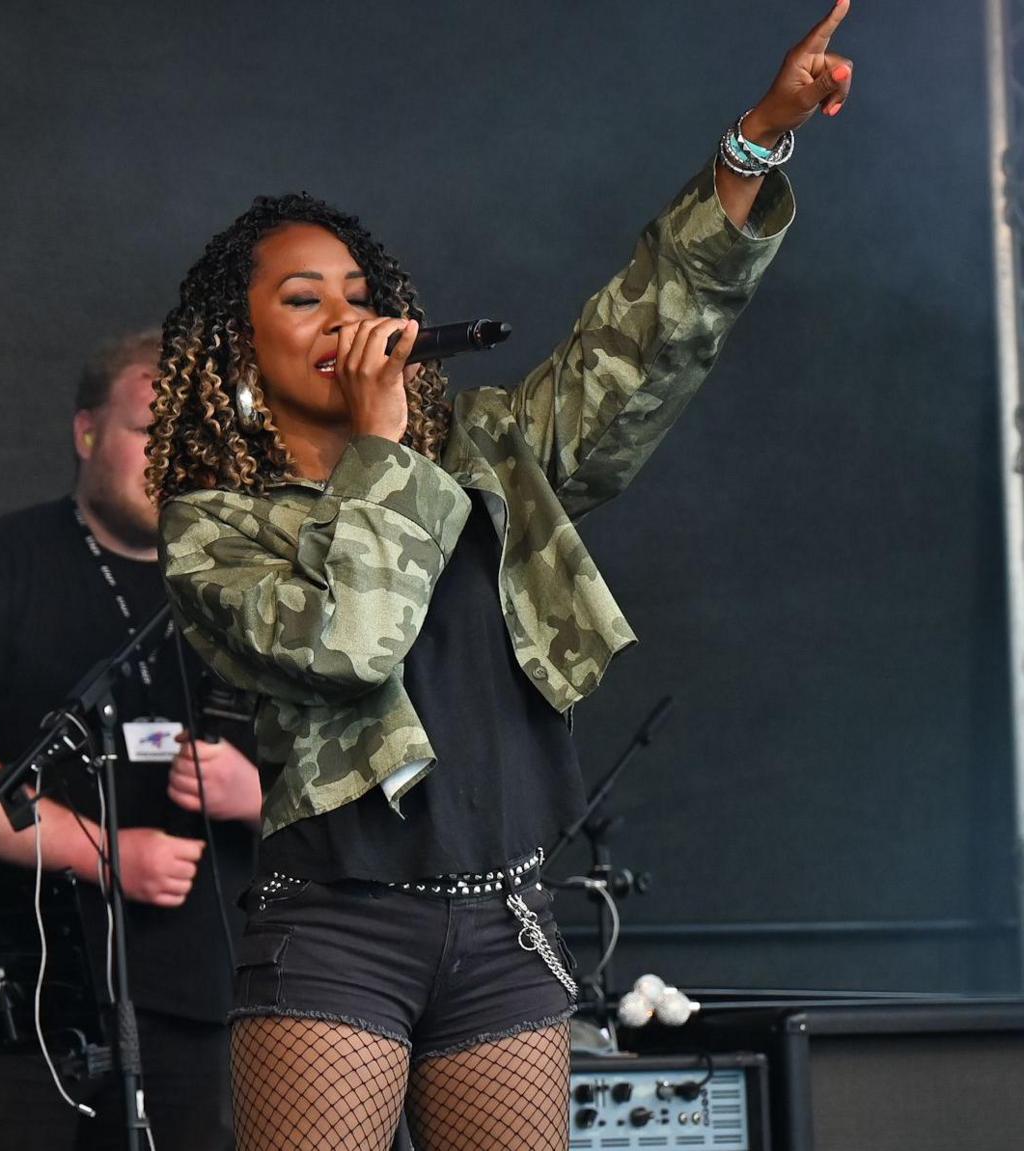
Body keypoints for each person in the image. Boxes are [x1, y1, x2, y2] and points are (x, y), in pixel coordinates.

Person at [146, 6, 853, 1149]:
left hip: (506, 921)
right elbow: (349, 640)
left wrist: (757, 142)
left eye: (354, 290)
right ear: (237, 352)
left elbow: (635, 352)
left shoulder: (479, 447)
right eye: (301, 298)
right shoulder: (213, 529)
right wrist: (382, 451)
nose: (344, 315)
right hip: (337, 925)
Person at [0, 332, 263, 1150]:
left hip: (196, 1008)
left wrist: (259, 793)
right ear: (87, 433)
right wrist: (106, 851)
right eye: (150, 435)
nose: (172, 462)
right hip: (12, 1007)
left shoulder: (247, 596)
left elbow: (379, 783)